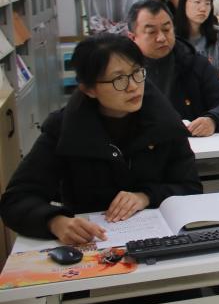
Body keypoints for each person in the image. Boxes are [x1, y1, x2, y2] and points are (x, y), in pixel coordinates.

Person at [0, 35, 201, 243]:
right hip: (95, 241)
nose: (133, 86)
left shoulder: (164, 121)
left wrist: (146, 196)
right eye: (118, 79)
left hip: (158, 239)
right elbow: (15, 200)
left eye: (137, 72)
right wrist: (55, 222)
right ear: (89, 89)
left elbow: (190, 187)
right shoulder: (64, 129)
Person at [128, 0, 219, 136]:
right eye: (151, 32)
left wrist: (213, 120)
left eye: (166, 29)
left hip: (193, 143)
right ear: (132, 37)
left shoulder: (193, 62)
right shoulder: (122, 71)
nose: (162, 38)